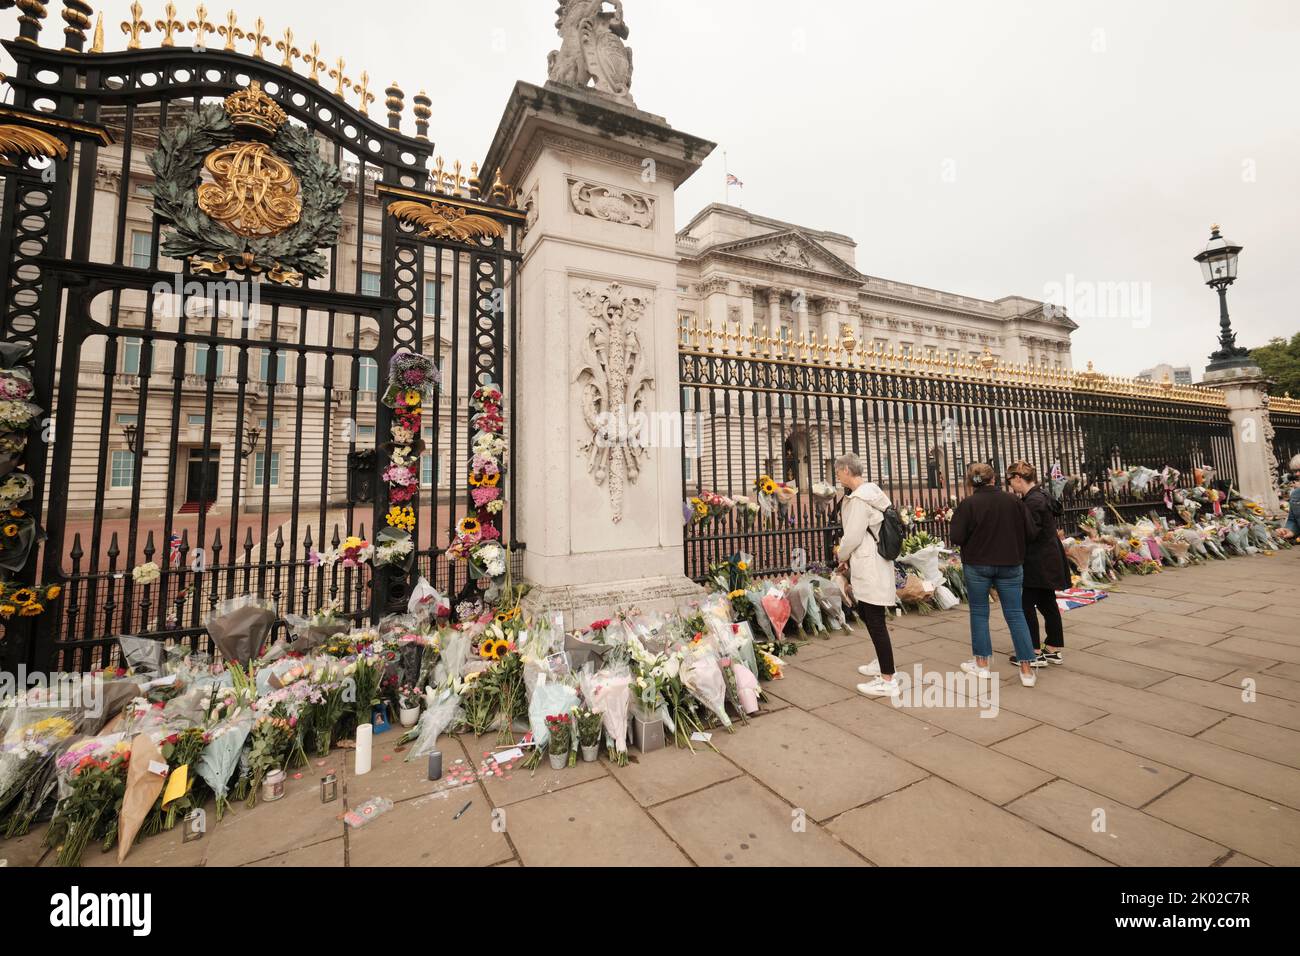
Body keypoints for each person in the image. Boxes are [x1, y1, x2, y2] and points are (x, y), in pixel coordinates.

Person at [948, 462, 1039, 687]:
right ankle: (1027, 670)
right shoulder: (1014, 501)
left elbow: (957, 537)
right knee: (1016, 614)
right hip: (1010, 563)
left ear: (970, 481)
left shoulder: (968, 504)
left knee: (979, 613)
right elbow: (1031, 532)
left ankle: (982, 665)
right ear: (994, 478)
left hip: (978, 565)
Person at [833, 453, 901, 698]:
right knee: (870, 614)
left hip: (870, 563)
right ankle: (883, 663)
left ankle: (888, 677)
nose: (837, 475)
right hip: (873, 561)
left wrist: (841, 556)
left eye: (838, 471)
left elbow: (852, 535)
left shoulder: (860, 499)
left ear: (847, 471)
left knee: (874, 618)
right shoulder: (872, 492)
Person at [1007, 461, 1071, 667]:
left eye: (1011, 481)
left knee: (1026, 605)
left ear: (1018, 478)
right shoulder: (1041, 495)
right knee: (1047, 602)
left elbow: (1029, 533)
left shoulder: (1032, 501)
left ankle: (1032, 651)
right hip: (1048, 557)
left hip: (1037, 560)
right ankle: (1053, 647)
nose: (1010, 486)